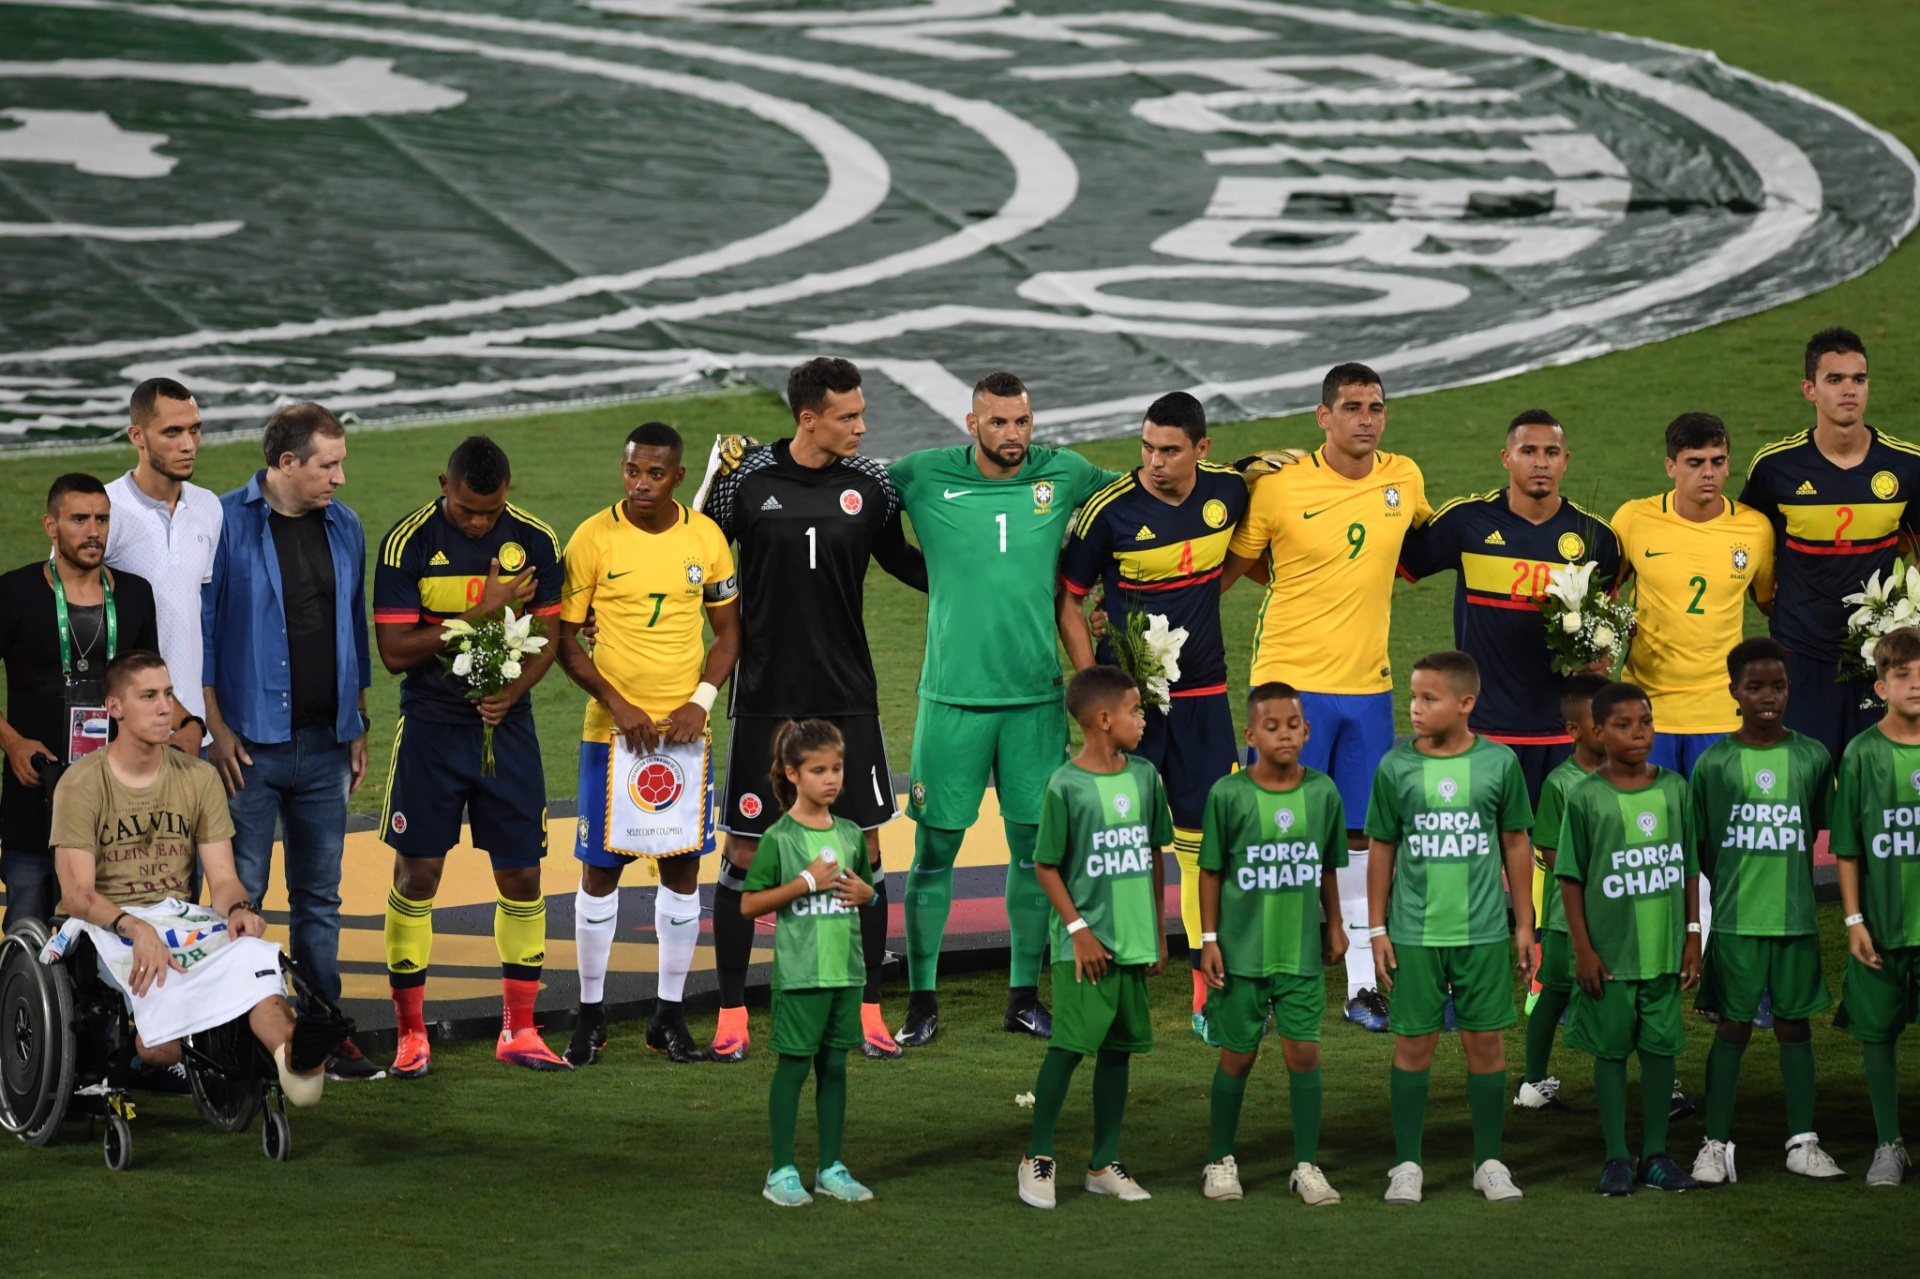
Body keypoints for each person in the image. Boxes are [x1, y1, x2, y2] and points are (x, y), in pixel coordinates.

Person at [700, 358, 925, 1063]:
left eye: (861, 413)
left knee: (870, 848)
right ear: (808, 418)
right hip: (765, 695)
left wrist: (997, 582)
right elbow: (692, 553)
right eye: (848, 415)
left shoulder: (874, 485)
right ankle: (733, 1012)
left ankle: (867, 1008)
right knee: (743, 850)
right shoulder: (747, 477)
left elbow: (908, 563)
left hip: (847, 695)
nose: (861, 426)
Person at [891, 371, 1122, 1047]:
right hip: (951, 699)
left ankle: (1024, 996)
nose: (1013, 435)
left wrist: (1239, 474)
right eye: (998, 423)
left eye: (1022, 421)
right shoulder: (922, 474)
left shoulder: (1065, 472)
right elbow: (849, 496)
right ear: (971, 425)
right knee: (933, 852)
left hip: (1035, 701)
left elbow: (1140, 494)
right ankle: (921, 999)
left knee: (1033, 855)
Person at [1222, 363, 1431, 1035]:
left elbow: (1421, 545)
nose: (1366, 418)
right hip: (1290, 681)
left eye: (1376, 407)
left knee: (1363, 836)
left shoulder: (1406, 477)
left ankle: (1362, 984)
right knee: (1275, 833)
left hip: (1369, 686)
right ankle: (1256, 981)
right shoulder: (1281, 490)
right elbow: (1230, 567)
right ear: (1323, 416)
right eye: (1352, 407)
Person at [49, 651, 334, 1105]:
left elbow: (223, 880)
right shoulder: (81, 784)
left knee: (253, 958)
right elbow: (78, 894)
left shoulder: (199, 779)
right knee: (160, 1013)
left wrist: (240, 909)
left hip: (181, 918)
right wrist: (135, 927)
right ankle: (163, 1045)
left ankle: (296, 1055)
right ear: (114, 709)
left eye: (168, 694)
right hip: (108, 925)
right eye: (148, 697)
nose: (166, 708)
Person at [372, 436, 569, 1076]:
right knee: (418, 876)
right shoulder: (407, 544)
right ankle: (410, 1034)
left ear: (507, 491)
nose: (479, 522)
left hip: (506, 729)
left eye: (491, 510)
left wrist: (512, 691)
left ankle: (520, 1029)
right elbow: (396, 652)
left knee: (521, 876)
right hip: (432, 728)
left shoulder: (537, 540)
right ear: (443, 485)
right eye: (466, 509)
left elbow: (550, 631)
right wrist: (480, 611)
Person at [1059, 391, 1247, 1043]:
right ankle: (1110, 970)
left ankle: (1205, 983)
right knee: (1117, 842)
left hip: (1203, 699)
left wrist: (1197, 598)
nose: (1155, 461)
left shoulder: (1229, 492)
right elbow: (1070, 600)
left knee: (1203, 845)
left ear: (1202, 448)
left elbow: (1247, 547)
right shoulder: (1108, 512)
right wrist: (1097, 686)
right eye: (1147, 447)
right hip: (1132, 706)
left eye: (1170, 449)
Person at [202, 402, 376, 1080]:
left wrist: (356, 719)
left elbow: (351, 628)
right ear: (286, 463)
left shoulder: (347, 524)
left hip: (326, 743)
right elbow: (206, 633)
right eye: (327, 465)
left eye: (340, 464)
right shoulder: (223, 522)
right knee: (237, 895)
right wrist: (215, 727)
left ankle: (322, 1032)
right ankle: (231, 1037)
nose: (338, 477)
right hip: (248, 747)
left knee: (321, 897)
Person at [557, 422, 741, 1066]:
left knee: (682, 872)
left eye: (655, 474)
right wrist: (618, 704)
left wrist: (700, 702)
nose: (641, 484)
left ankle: (668, 1015)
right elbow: (565, 641)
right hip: (612, 735)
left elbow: (727, 632)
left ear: (678, 477)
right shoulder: (592, 538)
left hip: (685, 734)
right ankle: (590, 1015)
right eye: (633, 470)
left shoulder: (705, 537)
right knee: (600, 872)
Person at [1365, 650, 1534, 1205]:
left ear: (1465, 703)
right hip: (1414, 935)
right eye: (1412, 696)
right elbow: (1381, 849)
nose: (1413, 708)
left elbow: (1515, 843)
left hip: (1483, 932)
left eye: (1427, 698)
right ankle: (1407, 1164)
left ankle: (1489, 1161)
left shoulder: (1500, 763)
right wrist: (1377, 929)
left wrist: (1525, 924)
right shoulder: (1395, 767)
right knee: (1413, 1046)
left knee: (1485, 1044)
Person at [1399, 409, 1621, 805]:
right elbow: (1395, 562)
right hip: (1482, 727)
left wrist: (1598, 660)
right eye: (1528, 451)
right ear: (1506, 458)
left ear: (1565, 461)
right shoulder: (1466, 522)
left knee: (1555, 851)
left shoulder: (1597, 538)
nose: (1540, 462)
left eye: (1551, 452)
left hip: (1562, 731)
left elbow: (1610, 621)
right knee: (1484, 849)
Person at [1689, 638, 1845, 1184]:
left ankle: (1802, 1142)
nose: (1767, 696)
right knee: (1731, 1027)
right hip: (1735, 920)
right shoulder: (1714, 763)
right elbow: (1703, 847)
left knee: (1793, 1025)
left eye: (1777, 686)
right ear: (1733, 691)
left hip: (1796, 917)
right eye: (1754, 686)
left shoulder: (1812, 755)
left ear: (1788, 689)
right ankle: (1713, 1143)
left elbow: (1828, 834)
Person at [1017, 665, 1172, 1210]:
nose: (1142, 720)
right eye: (1134, 711)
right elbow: (1045, 865)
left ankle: (1103, 1163)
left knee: (1119, 1049)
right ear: (1104, 719)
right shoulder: (1065, 784)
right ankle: (1037, 1154)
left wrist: (1156, 927)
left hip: (1133, 939)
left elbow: (1154, 853)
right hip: (1083, 946)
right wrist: (1079, 931)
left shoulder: (1146, 776)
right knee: (1069, 1047)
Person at [1195, 682, 1346, 1205]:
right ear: (1251, 734)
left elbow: (1328, 866)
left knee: (1304, 1053)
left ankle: (1306, 1164)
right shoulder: (1228, 795)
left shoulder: (1323, 791)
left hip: (1300, 952)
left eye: (1293, 725)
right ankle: (1219, 1160)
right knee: (1238, 1056)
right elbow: (1210, 872)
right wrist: (1209, 940)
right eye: (1272, 726)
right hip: (1241, 954)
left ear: (1307, 730)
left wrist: (1335, 923)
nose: (1285, 734)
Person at [1741, 328, 1920, 763]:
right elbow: (1749, 540)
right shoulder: (1775, 467)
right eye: (1835, 379)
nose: (1849, 391)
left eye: (1858, 379)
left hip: (1879, 653)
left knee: (1880, 777)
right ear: (1810, 389)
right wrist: (1765, 596)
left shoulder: (1907, 465)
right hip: (1800, 654)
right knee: (1805, 778)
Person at [1555, 682, 1704, 1196]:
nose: (1638, 734)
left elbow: (1687, 867)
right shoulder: (1586, 796)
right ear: (1599, 731)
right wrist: (1583, 949)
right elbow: (1570, 879)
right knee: (1612, 1053)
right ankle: (1617, 1155)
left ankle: (1657, 1154)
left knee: (1662, 1052)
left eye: (1645, 722)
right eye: (1623, 725)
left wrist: (1692, 933)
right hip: (1611, 957)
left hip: (1663, 953)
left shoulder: (1676, 788)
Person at [0, 474, 160, 929]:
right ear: (51, 526)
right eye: (79, 519)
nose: (93, 531)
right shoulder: (14, 593)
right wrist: (12, 744)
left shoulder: (134, 594)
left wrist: (188, 725)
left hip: (115, 793)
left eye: (102, 519)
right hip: (35, 788)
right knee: (28, 923)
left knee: (109, 925)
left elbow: (148, 682)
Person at [741, 720, 878, 1207]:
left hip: (845, 971)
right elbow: (749, 904)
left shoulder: (850, 834)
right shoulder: (780, 837)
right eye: (819, 770)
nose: (832, 779)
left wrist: (869, 896)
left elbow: (862, 892)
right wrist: (804, 882)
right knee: (795, 1069)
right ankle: (780, 1171)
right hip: (801, 976)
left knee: (835, 1068)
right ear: (793, 774)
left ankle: (831, 1168)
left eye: (837, 768)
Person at [1611, 412, 1776, 780]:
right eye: (1695, 463)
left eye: (1717, 462)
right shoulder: (1634, 519)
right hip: (1647, 709)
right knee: (1651, 828)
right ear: (1671, 466)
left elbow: (1767, 602)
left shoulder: (1754, 529)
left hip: (1720, 709)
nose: (1708, 473)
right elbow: (1605, 591)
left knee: (1714, 830)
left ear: (1728, 464)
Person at [1830, 626, 1920, 1188]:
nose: (1916, 685)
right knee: (1878, 1035)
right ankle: (1889, 1143)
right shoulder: (1861, 753)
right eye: (1904, 676)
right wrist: (1854, 920)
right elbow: (1847, 848)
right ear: (1881, 686)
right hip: (1883, 927)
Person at [104, 378, 222, 746]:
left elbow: (196, 618)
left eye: (194, 430)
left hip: (189, 733)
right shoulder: (102, 512)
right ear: (137, 435)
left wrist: (201, 722)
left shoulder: (208, 507)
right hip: (122, 733)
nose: (188, 445)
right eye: (172, 432)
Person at [1515, 671, 1609, 1112]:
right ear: (1573, 730)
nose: (1611, 730)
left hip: (1619, 909)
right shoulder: (1560, 784)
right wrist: (1598, 880)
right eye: (1600, 722)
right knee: (1553, 989)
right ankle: (1532, 1081)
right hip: (1566, 913)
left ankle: (1655, 1080)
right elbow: (1549, 850)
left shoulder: (1631, 777)